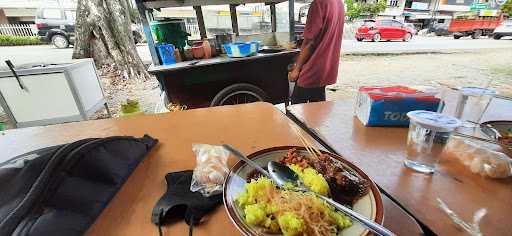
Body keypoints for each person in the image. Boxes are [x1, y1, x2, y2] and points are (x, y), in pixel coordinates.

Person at [288, 0, 345, 104]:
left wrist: (296, 69)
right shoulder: (339, 3)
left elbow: (309, 42)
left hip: (313, 68)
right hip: (327, 67)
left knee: (296, 109)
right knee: (318, 109)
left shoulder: (318, 3)